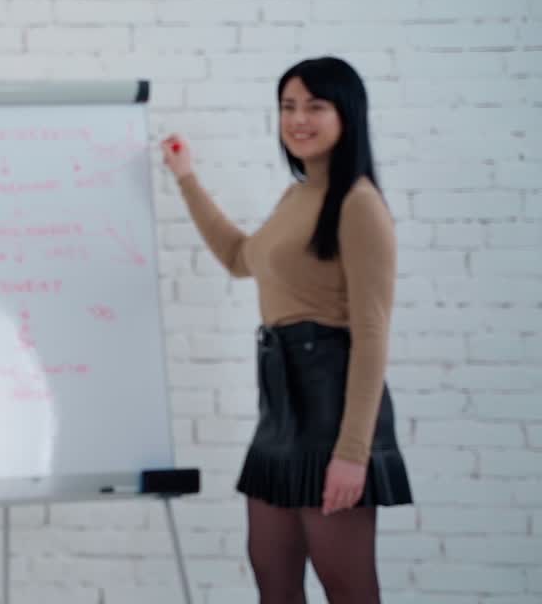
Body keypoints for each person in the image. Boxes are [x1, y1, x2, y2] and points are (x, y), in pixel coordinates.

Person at [160, 57, 413, 604]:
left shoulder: (359, 205)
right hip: (281, 405)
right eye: (288, 106)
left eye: (314, 106)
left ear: (346, 114)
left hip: (331, 406)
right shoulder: (298, 196)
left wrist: (353, 451)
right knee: (271, 573)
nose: (298, 119)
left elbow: (371, 335)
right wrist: (186, 178)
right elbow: (238, 257)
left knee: (345, 583)